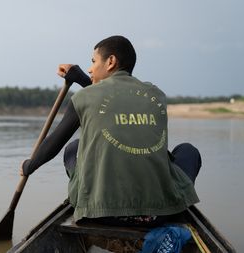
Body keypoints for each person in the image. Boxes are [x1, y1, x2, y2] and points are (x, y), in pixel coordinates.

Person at [19, 35, 201, 227]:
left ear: (111, 61)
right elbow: (115, 98)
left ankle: (86, 199)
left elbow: (54, 143)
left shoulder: (83, 97)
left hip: (100, 214)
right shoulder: (157, 95)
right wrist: (80, 77)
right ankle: (178, 205)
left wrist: (29, 166)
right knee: (188, 151)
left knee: (73, 148)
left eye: (93, 61)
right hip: (158, 215)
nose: (90, 68)